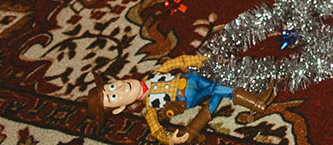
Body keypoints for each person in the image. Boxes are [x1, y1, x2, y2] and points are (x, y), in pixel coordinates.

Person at [85, 57, 273, 144]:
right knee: (215, 87)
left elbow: (176, 63)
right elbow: (156, 130)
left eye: (111, 86)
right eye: (114, 96)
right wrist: (170, 138)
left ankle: (254, 101)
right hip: (187, 97)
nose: (119, 87)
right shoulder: (150, 106)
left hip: (192, 78)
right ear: (119, 109)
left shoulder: (155, 74)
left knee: (215, 91)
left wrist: (199, 60)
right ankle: (256, 102)